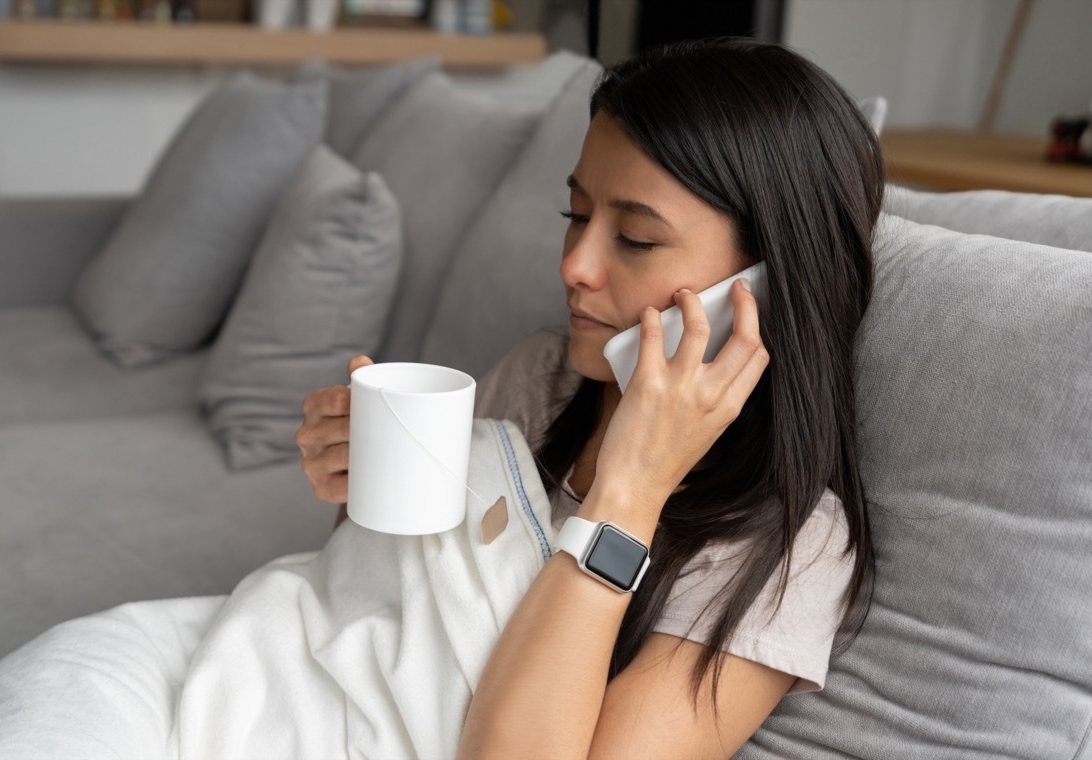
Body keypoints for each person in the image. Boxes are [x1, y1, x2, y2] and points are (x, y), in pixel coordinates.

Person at [295, 37, 884, 758]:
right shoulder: (541, 381)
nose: (575, 266)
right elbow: (384, 619)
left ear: (761, 284)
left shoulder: (787, 547)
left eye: (635, 238)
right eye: (576, 215)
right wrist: (363, 488)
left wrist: (630, 492)